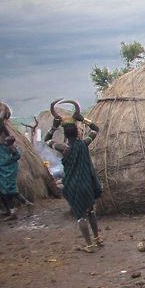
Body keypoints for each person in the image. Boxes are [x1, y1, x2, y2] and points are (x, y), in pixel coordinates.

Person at [45, 107, 103, 251]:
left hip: (73, 185)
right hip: (87, 184)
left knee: (81, 215)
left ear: (65, 134)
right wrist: (82, 119)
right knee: (90, 211)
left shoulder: (64, 149)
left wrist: (53, 127)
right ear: (77, 133)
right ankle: (97, 239)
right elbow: (95, 129)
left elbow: (46, 140)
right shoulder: (84, 144)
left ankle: (89, 245)